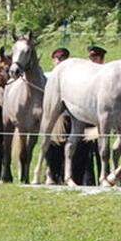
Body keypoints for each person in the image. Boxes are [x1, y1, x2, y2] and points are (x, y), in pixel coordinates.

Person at [71, 45, 106, 185]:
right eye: (90, 58)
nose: (92, 61)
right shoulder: (85, 77)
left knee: (101, 151)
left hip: (100, 123)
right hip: (85, 120)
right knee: (83, 152)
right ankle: (86, 182)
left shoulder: (105, 75)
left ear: (101, 60)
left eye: (95, 58)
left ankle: (103, 178)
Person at [44, 48, 70, 184]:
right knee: (52, 145)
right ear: (53, 60)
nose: (59, 61)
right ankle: (50, 174)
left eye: (62, 58)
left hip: (69, 116)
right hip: (53, 117)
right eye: (57, 58)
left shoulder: (72, 77)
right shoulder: (48, 76)